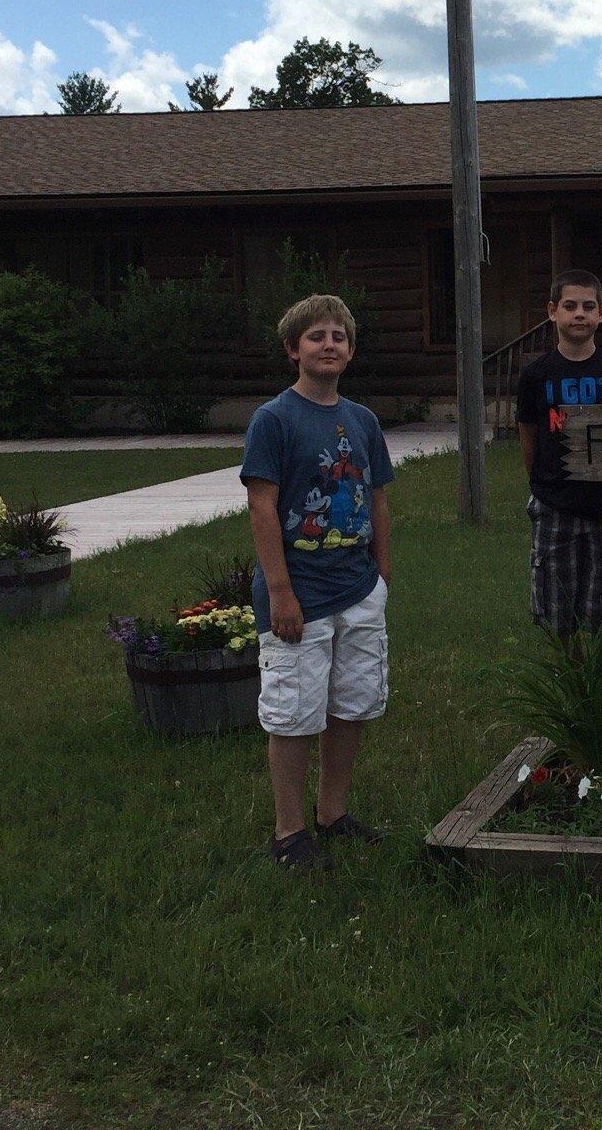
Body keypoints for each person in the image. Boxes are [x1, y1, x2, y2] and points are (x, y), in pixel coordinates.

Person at [243, 294, 395, 870]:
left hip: (358, 589)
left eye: (337, 337)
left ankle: (333, 813)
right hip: (298, 594)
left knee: (350, 705)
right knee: (294, 710)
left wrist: (381, 573)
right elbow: (263, 508)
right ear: (293, 350)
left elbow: (376, 498)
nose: (327, 345)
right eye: (315, 337)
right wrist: (281, 591)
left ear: (350, 351)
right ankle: (290, 832)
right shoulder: (273, 420)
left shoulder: (363, 421)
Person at [517, 270, 602, 644]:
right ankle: (569, 681)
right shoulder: (536, 375)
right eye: (570, 306)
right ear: (552, 311)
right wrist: (540, 482)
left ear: (601, 313)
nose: (579, 314)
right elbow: (528, 432)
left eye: (589, 307)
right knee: (558, 609)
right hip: (555, 503)